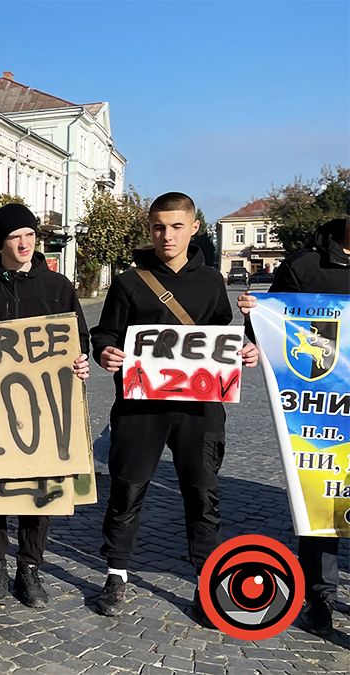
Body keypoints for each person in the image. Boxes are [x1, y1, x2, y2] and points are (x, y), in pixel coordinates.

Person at [89, 192, 259, 623]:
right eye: (158, 227)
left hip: (199, 409)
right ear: (149, 229)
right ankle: (116, 573)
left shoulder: (212, 283)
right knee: (127, 489)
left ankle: (207, 581)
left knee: (202, 495)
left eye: (176, 226)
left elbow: (223, 337)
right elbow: (106, 333)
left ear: (193, 226)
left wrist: (245, 349)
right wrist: (106, 351)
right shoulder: (131, 280)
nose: (167, 235)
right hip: (140, 406)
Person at [0, 204, 91, 607]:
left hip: (43, 406)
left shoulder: (58, 286)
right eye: (14, 237)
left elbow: (79, 339)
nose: (24, 243)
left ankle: (30, 568)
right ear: (1, 242)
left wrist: (80, 359)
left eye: (29, 235)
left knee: (39, 488)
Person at [237, 215, 349, 637]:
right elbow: (269, 323)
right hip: (323, 410)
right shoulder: (305, 265)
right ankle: (320, 597)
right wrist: (255, 313)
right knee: (319, 499)